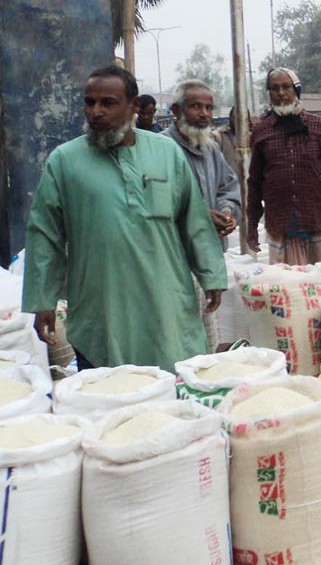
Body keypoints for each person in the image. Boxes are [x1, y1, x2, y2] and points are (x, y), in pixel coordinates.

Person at [22, 65, 227, 372]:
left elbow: (193, 219)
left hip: (166, 303)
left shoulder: (166, 153)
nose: (96, 111)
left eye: (107, 102)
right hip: (102, 307)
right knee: (109, 399)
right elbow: (44, 235)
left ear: (133, 107)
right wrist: (43, 300)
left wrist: (212, 274)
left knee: (172, 392)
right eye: (90, 102)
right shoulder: (65, 162)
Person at [247, 67, 321, 265]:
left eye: (286, 87)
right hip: (280, 229)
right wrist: (252, 226)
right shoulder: (261, 131)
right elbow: (254, 183)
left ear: (296, 90)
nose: (280, 93)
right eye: (274, 88)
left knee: (320, 288)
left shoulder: (319, 127)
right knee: (287, 291)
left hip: (316, 224)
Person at [163, 79, 240, 250]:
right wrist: (200, 216)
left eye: (209, 107)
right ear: (176, 110)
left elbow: (227, 187)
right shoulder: (161, 147)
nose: (204, 113)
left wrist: (226, 212)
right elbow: (158, 202)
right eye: (196, 106)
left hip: (211, 248)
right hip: (175, 251)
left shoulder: (210, 148)